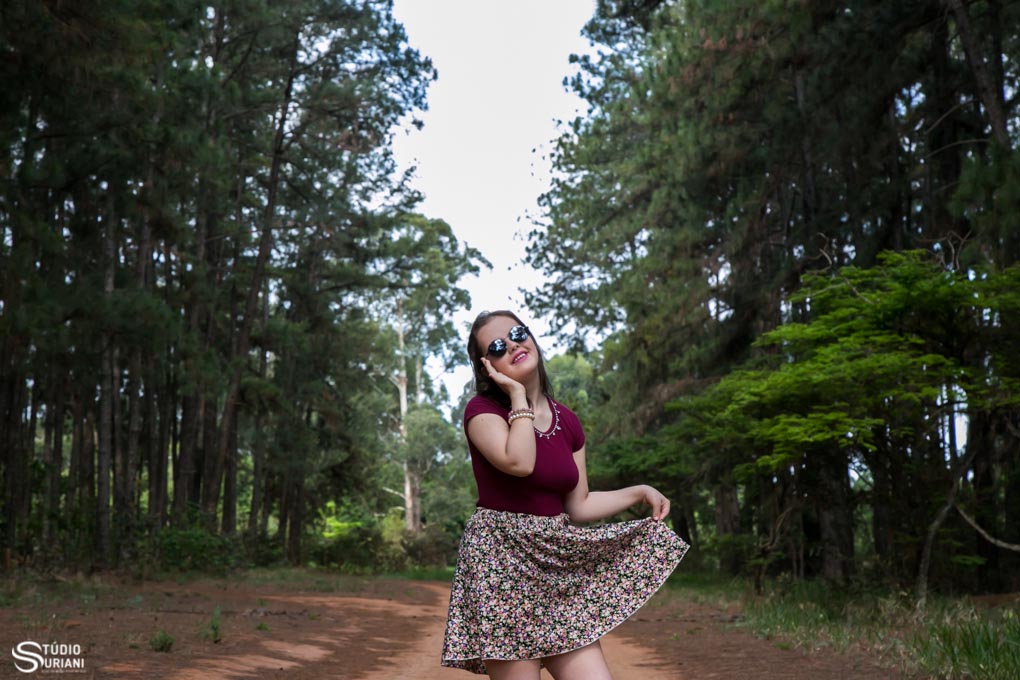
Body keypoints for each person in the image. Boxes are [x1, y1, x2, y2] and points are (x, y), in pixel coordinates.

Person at [441, 310, 689, 679]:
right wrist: (518, 397)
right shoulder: (483, 411)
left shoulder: (567, 421)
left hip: (555, 564)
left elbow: (579, 504)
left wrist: (638, 491)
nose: (512, 345)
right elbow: (519, 461)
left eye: (518, 333)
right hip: (500, 564)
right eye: (497, 346)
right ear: (486, 367)